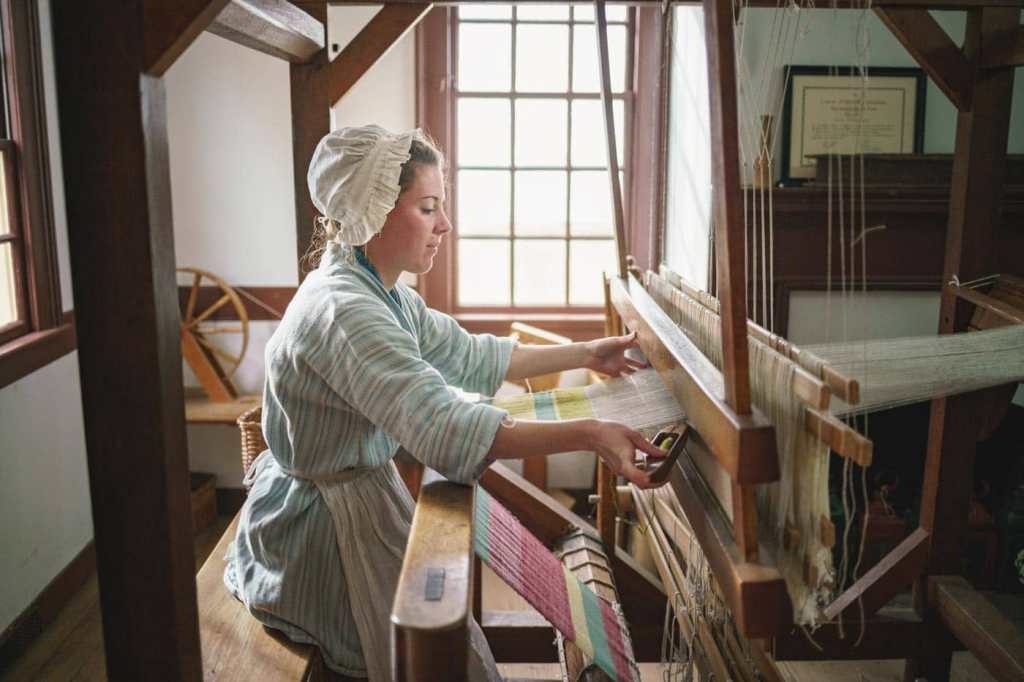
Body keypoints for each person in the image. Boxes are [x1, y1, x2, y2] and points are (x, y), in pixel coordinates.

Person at [225, 124, 667, 680]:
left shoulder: (378, 292)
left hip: (346, 499)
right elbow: (444, 428)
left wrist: (586, 353)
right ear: (376, 209)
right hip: (320, 537)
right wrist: (591, 433)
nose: (446, 225)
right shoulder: (347, 311)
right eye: (428, 208)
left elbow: (466, 353)